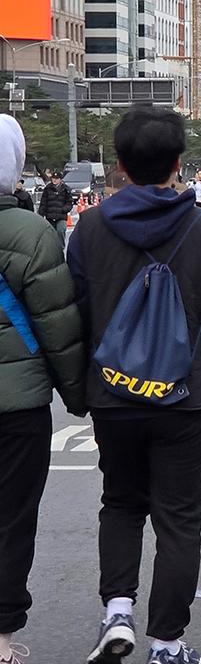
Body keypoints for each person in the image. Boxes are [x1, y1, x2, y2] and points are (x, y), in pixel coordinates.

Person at [68, 106, 201, 664]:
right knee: (178, 517)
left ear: (120, 166)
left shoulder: (91, 228)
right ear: (178, 164)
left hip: (113, 391)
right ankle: (167, 643)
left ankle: (117, 610)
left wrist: (81, 388)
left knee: (121, 503)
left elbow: (75, 311)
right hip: (186, 392)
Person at [0, 115, 87, 664]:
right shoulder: (32, 234)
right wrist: (80, 396)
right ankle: (0, 636)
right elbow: (59, 324)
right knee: (11, 517)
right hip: (19, 405)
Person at [38, 170, 72, 245]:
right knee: (50, 234)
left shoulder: (66, 189)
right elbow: (43, 202)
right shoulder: (47, 188)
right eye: (53, 178)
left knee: (61, 230)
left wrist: (64, 209)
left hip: (61, 216)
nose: (54, 180)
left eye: (56, 178)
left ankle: (61, 248)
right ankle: (52, 249)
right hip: (50, 216)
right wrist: (41, 214)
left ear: (60, 179)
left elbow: (69, 203)